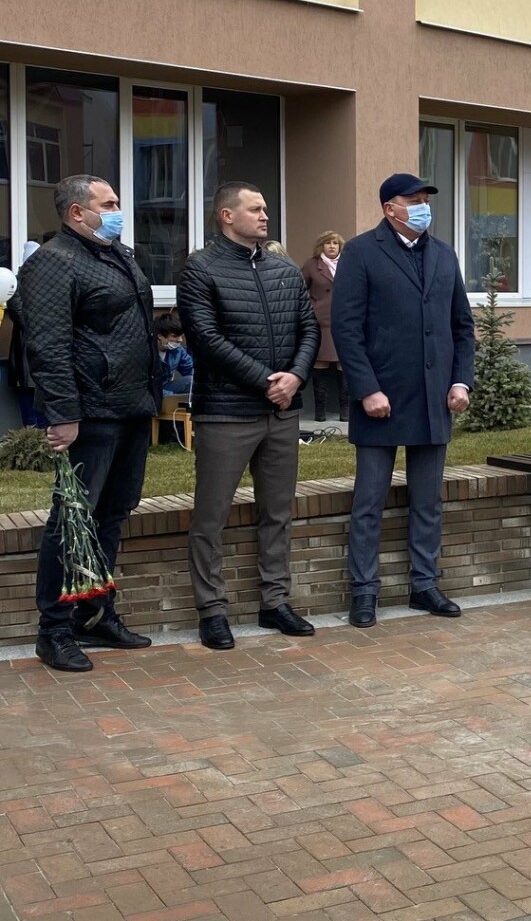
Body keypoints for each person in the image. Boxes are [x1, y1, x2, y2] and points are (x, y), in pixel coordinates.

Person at [17, 175, 161, 672]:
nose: (119, 211)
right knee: (72, 521)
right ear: (77, 212)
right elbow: (48, 345)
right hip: (91, 413)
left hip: (131, 406)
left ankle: (95, 613)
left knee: (111, 516)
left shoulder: (115, 254)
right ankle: (54, 629)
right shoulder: (53, 262)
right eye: (110, 203)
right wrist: (63, 413)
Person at [177, 185, 320, 649]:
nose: (264, 215)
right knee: (211, 515)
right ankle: (212, 610)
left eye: (265, 208)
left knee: (278, 512)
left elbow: (308, 328)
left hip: (282, 412)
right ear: (226, 215)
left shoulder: (283, 269)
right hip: (226, 413)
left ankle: (275, 602)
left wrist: (295, 377)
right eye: (255, 208)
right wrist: (266, 381)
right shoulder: (201, 268)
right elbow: (205, 339)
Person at [333, 172, 476, 627]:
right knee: (369, 502)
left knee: (427, 501)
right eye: (412, 200)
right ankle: (364, 591)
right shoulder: (361, 252)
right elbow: (346, 329)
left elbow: (462, 327)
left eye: (424, 200)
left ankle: (425, 585)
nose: (421, 207)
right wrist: (366, 388)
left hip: (434, 398)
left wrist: (461, 382)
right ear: (388, 208)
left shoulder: (443, 254)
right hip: (380, 399)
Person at [300, 231, 349, 423]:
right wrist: (310, 308)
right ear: (321, 246)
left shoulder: (347, 263)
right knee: (320, 363)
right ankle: (319, 411)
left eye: (335, 243)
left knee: (343, 362)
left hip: (343, 321)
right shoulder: (311, 265)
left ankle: (345, 410)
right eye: (328, 243)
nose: (332, 246)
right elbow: (299, 289)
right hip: (320, 323)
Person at [156, 312, 194, 398]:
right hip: (149, 391)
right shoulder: (146, 353)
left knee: (192, 381)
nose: (180, 340)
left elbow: (190, 369)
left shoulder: (178, 350)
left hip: (166, 386)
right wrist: (171, 397)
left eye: (180, 336)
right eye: (174, 336)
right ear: (160, 336)